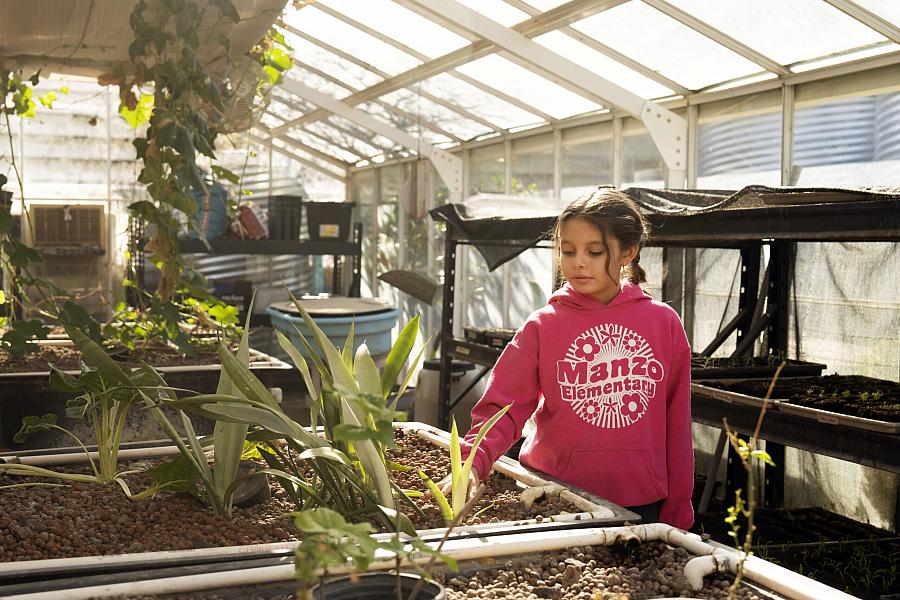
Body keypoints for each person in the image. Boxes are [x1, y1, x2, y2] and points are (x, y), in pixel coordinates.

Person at [437, 188, 694, 529]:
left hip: (642, 501)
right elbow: (503, 408)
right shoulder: (543, 325)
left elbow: (677, 426)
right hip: (555, 494)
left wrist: (677, 514)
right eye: (567, 251)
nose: (578, 262)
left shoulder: (664, 324)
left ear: (628, 252)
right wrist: (470, 465)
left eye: (594, 251)